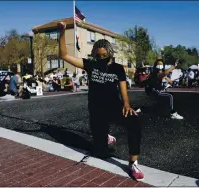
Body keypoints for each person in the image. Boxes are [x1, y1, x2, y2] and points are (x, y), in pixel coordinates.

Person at [58, 22, 144, 181]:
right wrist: (62, 33)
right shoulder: (90, 65)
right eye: (98, 55)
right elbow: (64, 55)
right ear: (94, 54)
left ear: (110, 53)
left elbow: (123, 89)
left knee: (134, 122)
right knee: (100, 154)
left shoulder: (118, 68)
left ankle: (133, 163)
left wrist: (126, 104)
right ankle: (104, 136)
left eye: (104, 55)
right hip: (96, 110)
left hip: (114, 106)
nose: (101, 58)